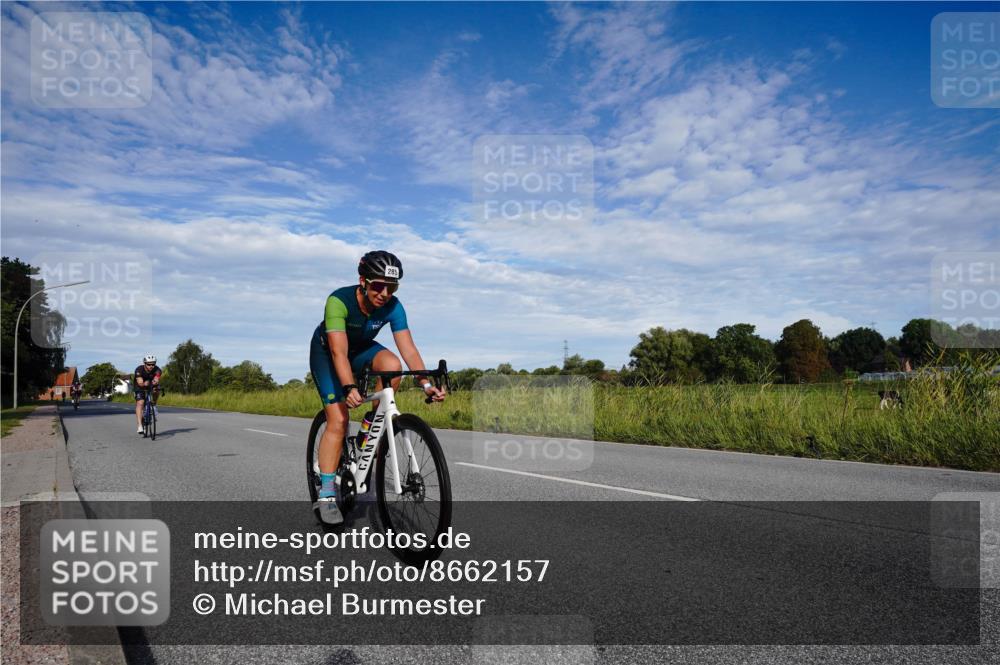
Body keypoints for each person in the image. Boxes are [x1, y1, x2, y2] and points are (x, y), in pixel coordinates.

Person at [309, 251, 446, 525]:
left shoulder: (394, 306)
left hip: (360, 350)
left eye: (391, 287)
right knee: (338, 420)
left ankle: (367, 430)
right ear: (363, 281)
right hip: (328, 353)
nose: (385, 293)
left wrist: (426, 383)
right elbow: (338, 353)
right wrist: (348, 387)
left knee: (393, 367)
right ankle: (325, 495)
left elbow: (408, 348)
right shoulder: (339, 301)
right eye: (378, 286)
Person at [134, 354, 162, 433]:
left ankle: (154, 404)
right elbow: (140, 382)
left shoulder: (157, 370)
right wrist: (143, 384)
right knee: (140, 403)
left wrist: (156, 380)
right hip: (140, 387)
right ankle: (139, 425)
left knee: (157, 389)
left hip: (150, 385)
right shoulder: (139, 369)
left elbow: (157, 377)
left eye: (153, 364)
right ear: (145, 363)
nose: (151, 366)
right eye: (149, 364)